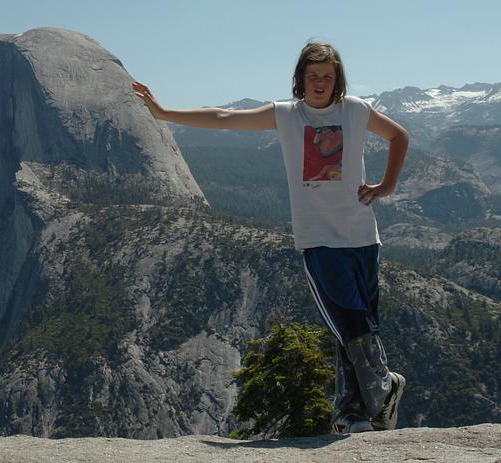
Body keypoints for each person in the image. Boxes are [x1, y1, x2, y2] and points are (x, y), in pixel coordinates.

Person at [132, 41, 409, 435]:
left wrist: (386, 185)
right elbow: (224, 117)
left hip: (364, 237)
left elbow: (400, 137)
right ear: (301, 79)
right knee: (348, 322)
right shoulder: (286, 116)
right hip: (319, 240)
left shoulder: (356, 110)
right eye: (313, 76)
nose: (320, 83)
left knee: (357, 324)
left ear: (337, 80)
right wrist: (163, 113)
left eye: (327, 76)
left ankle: (354, 413)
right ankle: (383, 388)